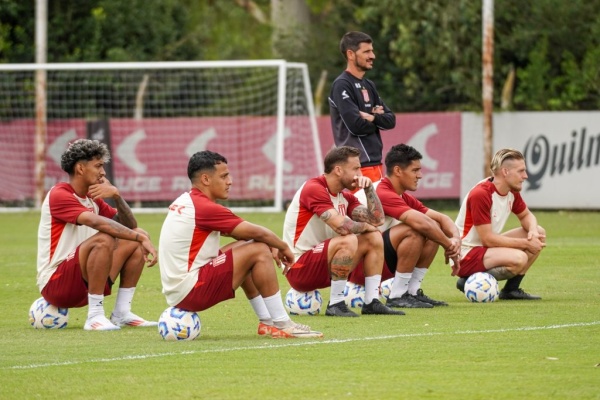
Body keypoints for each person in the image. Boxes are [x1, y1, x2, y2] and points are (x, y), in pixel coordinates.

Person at [158, 150, 322, 338]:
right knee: (257, 250)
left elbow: (246, 235)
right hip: (191, 291)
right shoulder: (204, 208)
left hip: (179, 290)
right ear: (205, 179)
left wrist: (269, 243)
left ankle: (267, 322)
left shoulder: (186, 201)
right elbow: (257, 232)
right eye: (224, 176)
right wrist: (283, 247)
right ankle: (283, 324)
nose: (230, 181)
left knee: (250, 246)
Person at [36, 139, 159, 331]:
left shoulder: (93, 199)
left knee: (136, 235)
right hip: (56, 284)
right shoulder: (59, 194)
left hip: (85, 280)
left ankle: (121, 312)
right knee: (105, 238)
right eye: (98, 166)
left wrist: (117, 196)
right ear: (80, 168)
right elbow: (96, 222)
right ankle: (94, 316)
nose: (103, 172)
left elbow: (129, 226)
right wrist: (139, 238)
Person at [282, 146, 403, 317]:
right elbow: (341, 226)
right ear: (338, 170)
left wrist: (369, 189)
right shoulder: (314, 188)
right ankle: (336, 304)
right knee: (349, 238)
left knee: (374, 236)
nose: (360, 174)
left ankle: (371, 302)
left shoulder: (344, 197)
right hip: (299, 268)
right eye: (356, 169)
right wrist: (366, 226)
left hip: (324, 262)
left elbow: (377, 220)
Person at [349, 144, 461, 308]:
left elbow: (441, 219)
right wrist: (449, 245)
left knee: (433, 227)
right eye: (415, 170)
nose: (420, 175)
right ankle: (398, 295)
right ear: (398, 171)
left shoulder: (400, 195)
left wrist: (455, 240)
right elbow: (422, 223)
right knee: (415, 229)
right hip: (358, 267)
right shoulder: (382, 192)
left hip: (375, 260)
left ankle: (412, 292)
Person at [455, 148, 546, 300]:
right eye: (521, 171)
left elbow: (526, 215)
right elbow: (487, 239)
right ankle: (468, 282)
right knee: (519, 259)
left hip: (484, 248)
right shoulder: (481, 194)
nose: (525, 176)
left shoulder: (511, 190)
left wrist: (533, 232)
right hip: (466, 254)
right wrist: (527, 244)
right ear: (505, 172)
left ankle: (511, 290)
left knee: (539, 232)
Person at [328, 31, 396, 185]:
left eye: (372, 51)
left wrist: (372, 117)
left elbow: (391, 120)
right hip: (357, 166)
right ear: (350, 54)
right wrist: (378, 120)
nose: (373, 56)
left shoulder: (368, 85)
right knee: (366, 202)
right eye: (366, 51)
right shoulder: (342, 85)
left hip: (375, 163)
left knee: (379, 202)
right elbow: (356, 126)